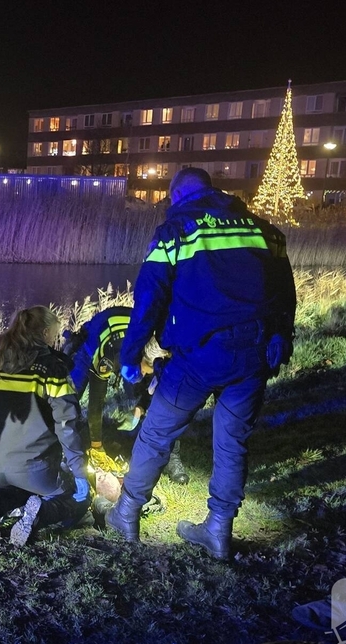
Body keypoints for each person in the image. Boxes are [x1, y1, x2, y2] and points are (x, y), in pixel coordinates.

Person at [103, 167, 296, 559]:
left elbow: (149, 299)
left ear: (177, 197)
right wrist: (280, 337)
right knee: (232, 443)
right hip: (253, 354)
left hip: (197, 358)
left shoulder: (177, 232)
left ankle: (126, 512)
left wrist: (130, 355)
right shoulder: (264, 230)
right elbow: (285, 294)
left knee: (157, 434)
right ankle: (219, 530)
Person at [0, 306, 91, 546]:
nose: (55, 340)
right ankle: (40, 514)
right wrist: (80, 472)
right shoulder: (51, 370)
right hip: (34, 470)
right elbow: (68, 425)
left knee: (15, 489)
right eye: (54, 335)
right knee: (75, 498)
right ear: (45, 333)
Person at [63, 306, 189, 484]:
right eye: (147, 371)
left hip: (132, 346)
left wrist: (142, 405)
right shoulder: (108, 354)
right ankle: (63, 450)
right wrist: (97, 445)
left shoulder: (163, 351)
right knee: (70, 397)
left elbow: (158, 387)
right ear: (139, 360)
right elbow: (96, 401)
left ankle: (171, 456)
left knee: (167, 399)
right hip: (95, 340)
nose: (147, 375)